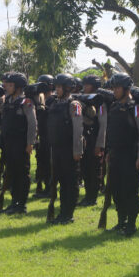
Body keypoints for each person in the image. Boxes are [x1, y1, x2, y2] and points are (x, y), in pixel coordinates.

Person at [105, 73, 139, 236]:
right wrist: (109, 151)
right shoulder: (115, 107)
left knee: (130, 191)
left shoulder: (135, 108)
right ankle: (121, 220)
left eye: (117, 88)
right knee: (117, 190)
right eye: (114, 87)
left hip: (131, 156)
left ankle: (131, 224)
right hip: (116, 155)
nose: (114, 90)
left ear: (126, 89)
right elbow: (112, 131)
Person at [47, 73, 83, 224]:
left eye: (59, 87)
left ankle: (68, 213)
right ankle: (62, 212)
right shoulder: (54, 103)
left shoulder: (74, 105)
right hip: (57, 149)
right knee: (61, 182)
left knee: (70, 182)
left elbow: (78, 129)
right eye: (56, 86)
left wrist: (77, 151)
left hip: (69, 150)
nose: (57, 89)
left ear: (68, 88)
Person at [0, 72, 37, 213]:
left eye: (10, 85)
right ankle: (14, 201)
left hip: (21, 144)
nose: (6, 87)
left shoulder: (26, 102)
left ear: (18, 87)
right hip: (8, 143)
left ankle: (21, 204)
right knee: (11, 172)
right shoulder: (7, 101)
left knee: (22, 173)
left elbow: (32, 124)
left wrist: (30, 143)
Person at [78, 75, 105, 207]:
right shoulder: (84, 99)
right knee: (85, 169)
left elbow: (103, 125)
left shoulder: (100, 102)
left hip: (94, 139)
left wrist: (99, 144)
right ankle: (88, 195)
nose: (85, 87)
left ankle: (92, 197)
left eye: (87, 85)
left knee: (93, 170)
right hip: (85, 138)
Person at [33, 75, 54, 198]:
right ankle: (44, 187)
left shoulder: (53, 100)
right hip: (42, 136)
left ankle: (49, 188)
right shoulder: (38, 99)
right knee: (42, 163)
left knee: (49, 164)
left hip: (50, 137)